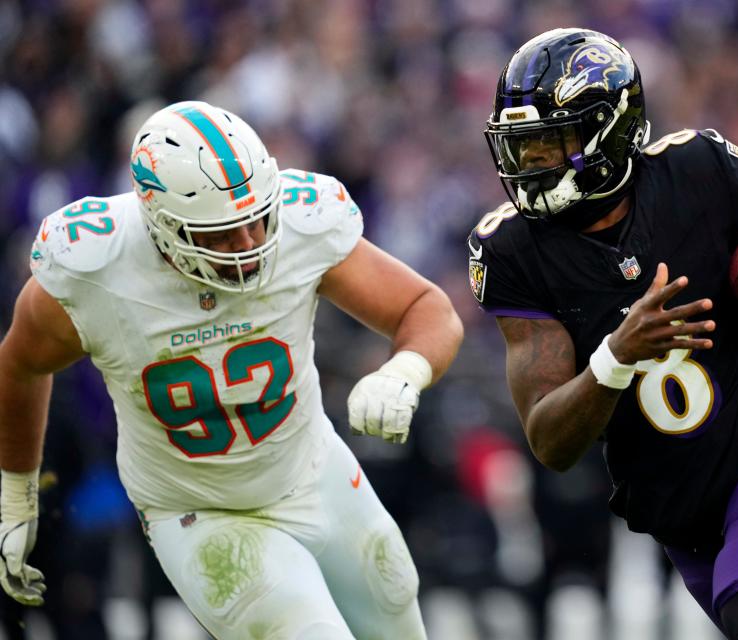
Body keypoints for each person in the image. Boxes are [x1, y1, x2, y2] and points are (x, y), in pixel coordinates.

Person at [468, 28, 738, 639]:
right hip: (683, 520)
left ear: (610, 129)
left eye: (549, 144)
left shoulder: (698, 170)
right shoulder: (512, 251)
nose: (529, 164)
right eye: (522, 147)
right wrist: (616, 357)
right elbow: (550, 442)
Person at [0, 100, 463, 639]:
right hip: (199, 512)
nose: (248, 246)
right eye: (221, 235)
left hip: (315, 469)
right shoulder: (94, 265)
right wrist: (16, 492)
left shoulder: (298, 222)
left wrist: (404, 370)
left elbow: (426, 309)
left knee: (397, 608)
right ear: (162, 225)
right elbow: (21, 364)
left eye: (256, 220)